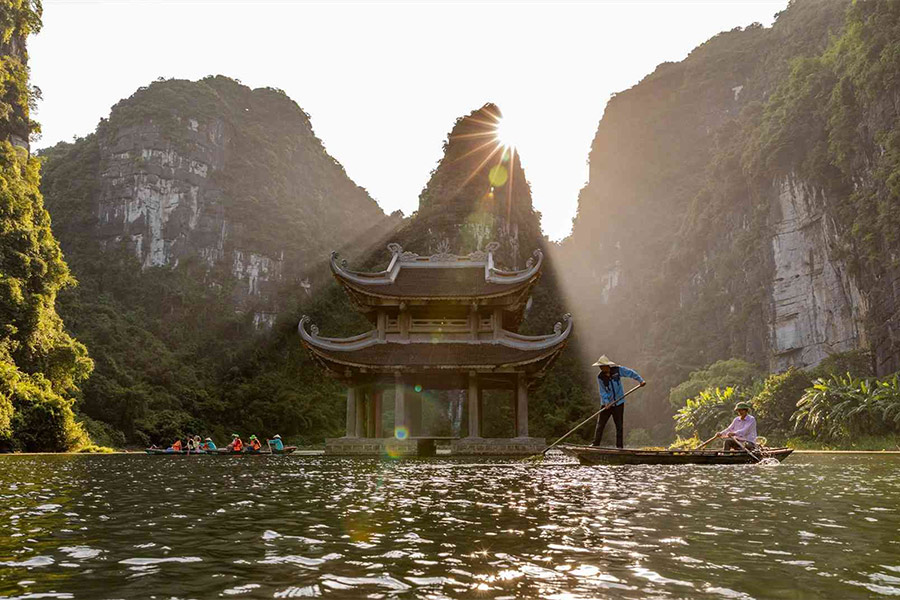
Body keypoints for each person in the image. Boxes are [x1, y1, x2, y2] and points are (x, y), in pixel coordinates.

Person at [591, 355, 646, 449]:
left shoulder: (617, 370)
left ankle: (619, 447)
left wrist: (640, 380)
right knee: (600, 424)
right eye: (600, 366)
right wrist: (606, 402)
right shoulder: (600, 377)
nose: (601, 368)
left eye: (602, 366)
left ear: (607, 365)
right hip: (606, 405)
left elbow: (630, 373)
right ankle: (595, 444)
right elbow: (603, 391)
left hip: (619, 403)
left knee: (619, 426)